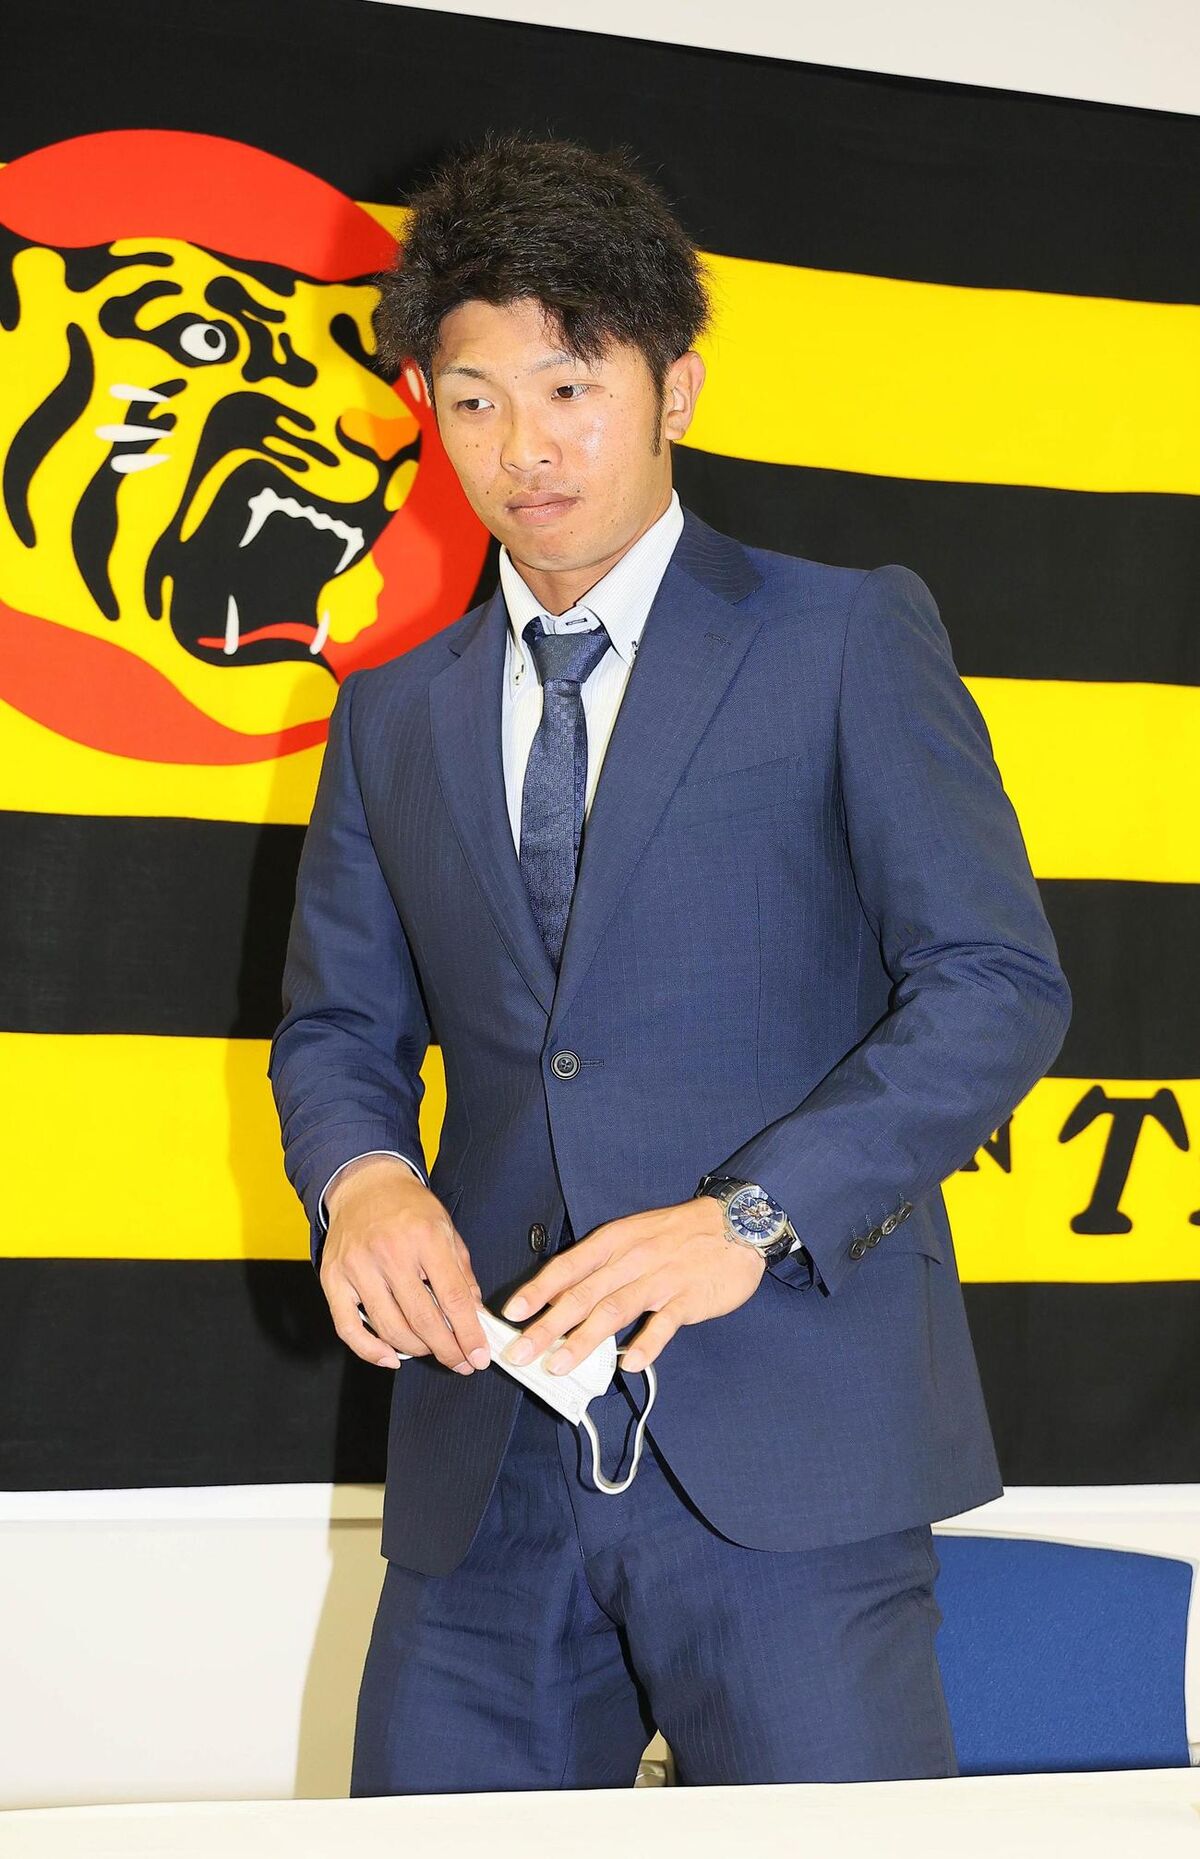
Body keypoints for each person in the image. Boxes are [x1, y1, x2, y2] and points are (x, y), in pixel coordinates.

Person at [268, 130, 1071, 1791]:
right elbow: (339, 1025)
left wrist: (749, 1220)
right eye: (474, 399)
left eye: (571, 387)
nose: (524, 447)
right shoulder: (389, 715)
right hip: (483, 1460)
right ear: (425, 407)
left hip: (794, 1458)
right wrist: (361, 1179)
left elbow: (995, 982)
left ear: (675, 389)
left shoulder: (843, 636)